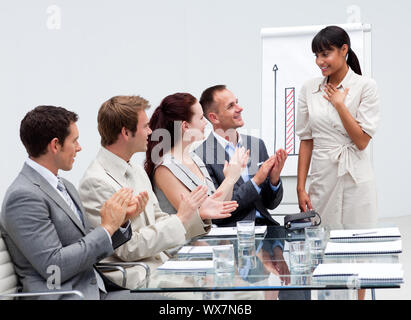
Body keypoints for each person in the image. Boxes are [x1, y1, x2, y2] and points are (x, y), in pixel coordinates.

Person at [78, 95, 227, 290]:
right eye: (145, 126)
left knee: (225, 285)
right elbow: (127, 248)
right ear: (125, 132)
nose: (151, 131)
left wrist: (196, 215)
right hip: (137, 276)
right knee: (213, 295)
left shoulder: (136, 170)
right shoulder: (96, 182)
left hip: (159, 266)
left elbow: (158, 219)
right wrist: (182, 219)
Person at [0, 105, 149, 300]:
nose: (79, 147)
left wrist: (118, 223)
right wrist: (106, 227)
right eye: (75, 140)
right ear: (55, 145)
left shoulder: (66, 185)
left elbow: (85, 242)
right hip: (70, 295)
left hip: (95, 289)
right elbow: (55, 266)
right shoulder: (22, 196)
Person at [296, 25, 380, 227]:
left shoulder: (366, 86)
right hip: (322, 177)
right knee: (322, 242)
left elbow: (361, 141)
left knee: (360, 243)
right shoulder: (309, 88)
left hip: (356, 178)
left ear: (344, 50)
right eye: (316, 55)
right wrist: (300, 188)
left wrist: (340, 105)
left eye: (325, 54)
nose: (319, 62)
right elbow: (306, 140)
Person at [195, 85, 287, 227]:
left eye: (237, 102)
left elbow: (271, 204)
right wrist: (256, 181)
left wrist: (273, 180)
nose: (240, 108)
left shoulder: (256, 144)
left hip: (267, 228)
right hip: (233, 234)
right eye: (231, 106)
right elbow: (218, 214)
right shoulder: (201, 156)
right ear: (214, 117)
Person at [145, 92, 246, 217]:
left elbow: (222, 206)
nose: (206, 123)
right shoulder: (164, 169)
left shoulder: (194, 158)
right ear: (185, 126)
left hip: (206, 235)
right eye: (201, 118)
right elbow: (195, 216)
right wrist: (230, 179)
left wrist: (230, 178)